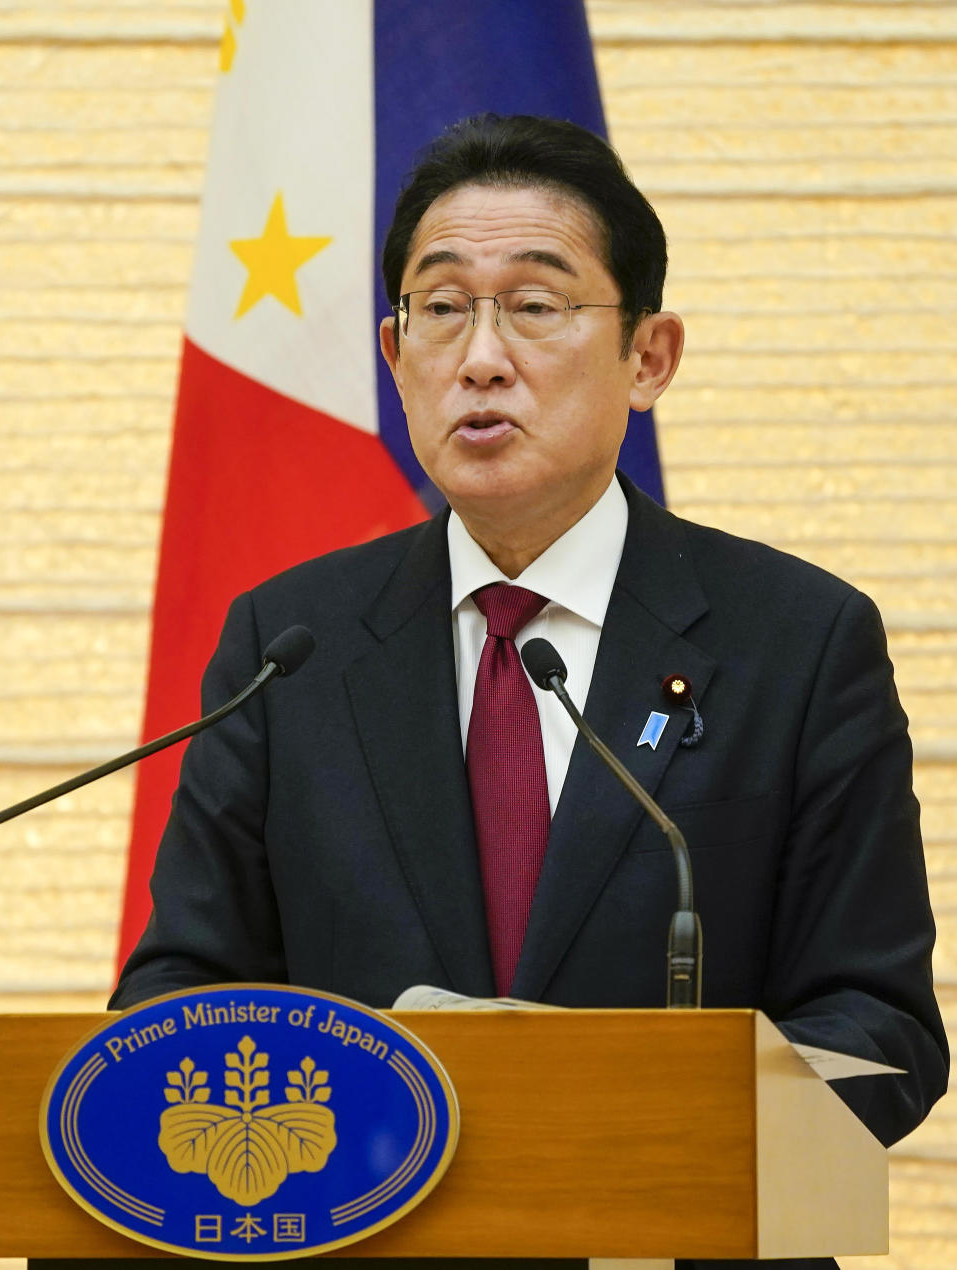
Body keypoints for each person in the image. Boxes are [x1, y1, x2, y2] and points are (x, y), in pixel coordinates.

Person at [111, 115, 948, 1270]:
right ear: (395, 353)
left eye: (537, 305)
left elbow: (880, 1026)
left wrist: (640, 1127)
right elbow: (178, 990)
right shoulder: (287, 642)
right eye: (442, 307)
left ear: (649, 356)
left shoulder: (797, 641)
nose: (481, 356)